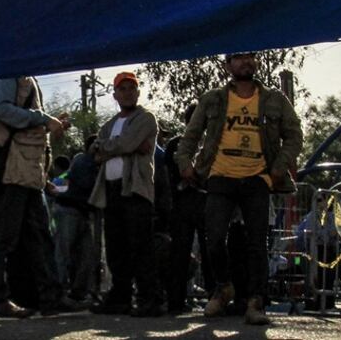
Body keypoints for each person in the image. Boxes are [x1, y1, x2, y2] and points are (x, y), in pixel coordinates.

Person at [176, 52, 302, 326]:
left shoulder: (274, 99)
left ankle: (256, 303)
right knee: (214, 239)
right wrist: (184, 162)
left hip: (258, 178)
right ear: (228, 65)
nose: (246, 62)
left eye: (250, 57)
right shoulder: (213, 99)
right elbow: (191, 134)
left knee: (257, 244)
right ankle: (223, 287)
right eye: (238, 58)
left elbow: (295, 134)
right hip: (220, 176)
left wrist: (278, 169)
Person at [0, 76, 83, 318]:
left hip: (29, 170)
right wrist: (44, 120)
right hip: (13, 167)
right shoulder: (9, 70)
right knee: (2, 236)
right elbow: (2, 110)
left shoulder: (25, 74)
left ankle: (50, 297)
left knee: (40, 236)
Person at [88, 72, 162, 317]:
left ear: (138, 92)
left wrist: (108, 147)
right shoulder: (109, 124)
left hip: (135, 190)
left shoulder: (146, 118)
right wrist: (116, 146)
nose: (128, 92)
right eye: (123, 88)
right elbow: (94, 149)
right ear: (115, 94)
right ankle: (120, 297)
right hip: (111, 190)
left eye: (132, 88)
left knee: (140, 247)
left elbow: (122, 145)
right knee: (116, 247)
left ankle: (148, 299)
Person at [164, 102, 214, 314]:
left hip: (206, 203)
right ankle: (176, 300)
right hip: (183, 203)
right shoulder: (178, 144)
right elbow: (175, 173)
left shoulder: (213, 144)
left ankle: (214, 297)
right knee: (180, 253)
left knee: (210, 251)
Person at [52, 136, 100, 304]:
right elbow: (86, 183)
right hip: (69, 209)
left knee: (87, 254)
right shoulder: (82, 160)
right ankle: (56, 291)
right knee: (63, 252)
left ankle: (79, 291)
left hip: (83, 212)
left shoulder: (95, 165)